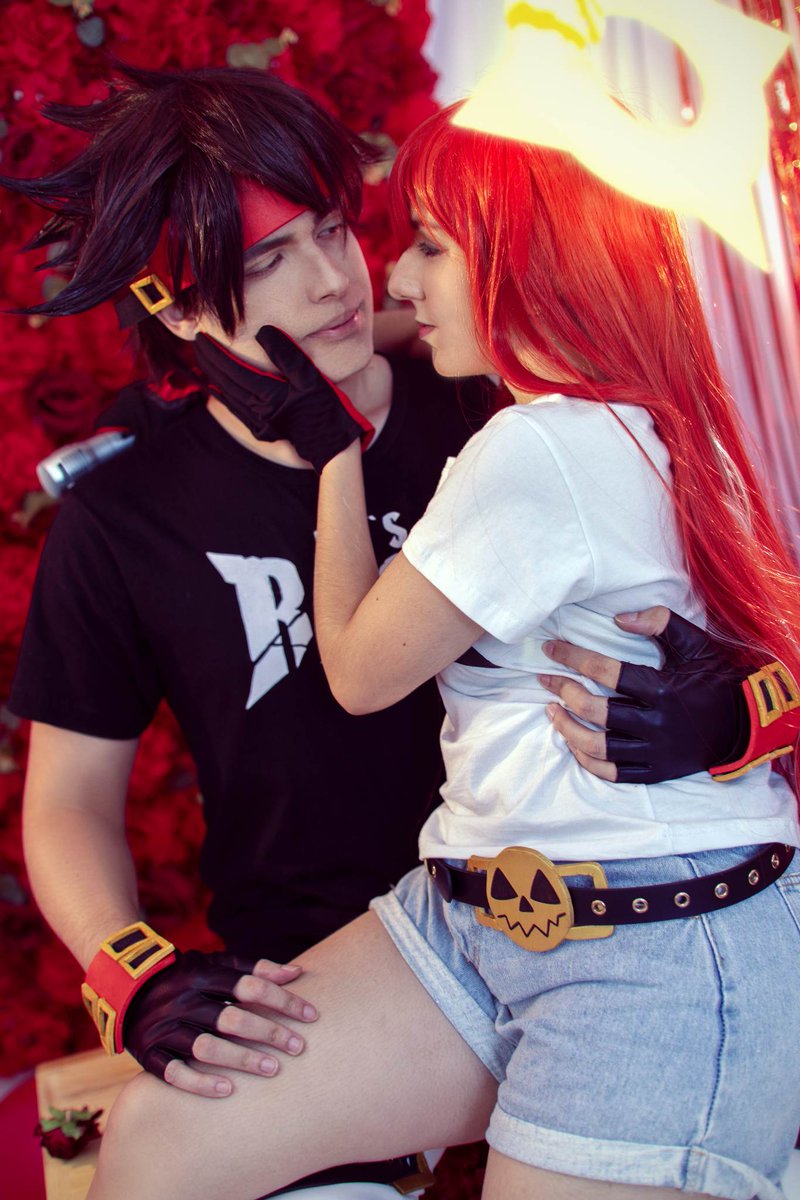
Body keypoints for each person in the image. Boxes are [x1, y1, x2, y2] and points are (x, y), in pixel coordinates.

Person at [83, 101, 800, 1200]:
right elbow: (67, 798)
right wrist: (126, 970)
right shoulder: (125, 509)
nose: (350, 280)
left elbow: (362, 672)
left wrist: (750, 711)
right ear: (175, 306)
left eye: (342, 229)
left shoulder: (511, 410)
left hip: (640, 927)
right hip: (457, 915)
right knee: (160, 1135)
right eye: (270, 258)